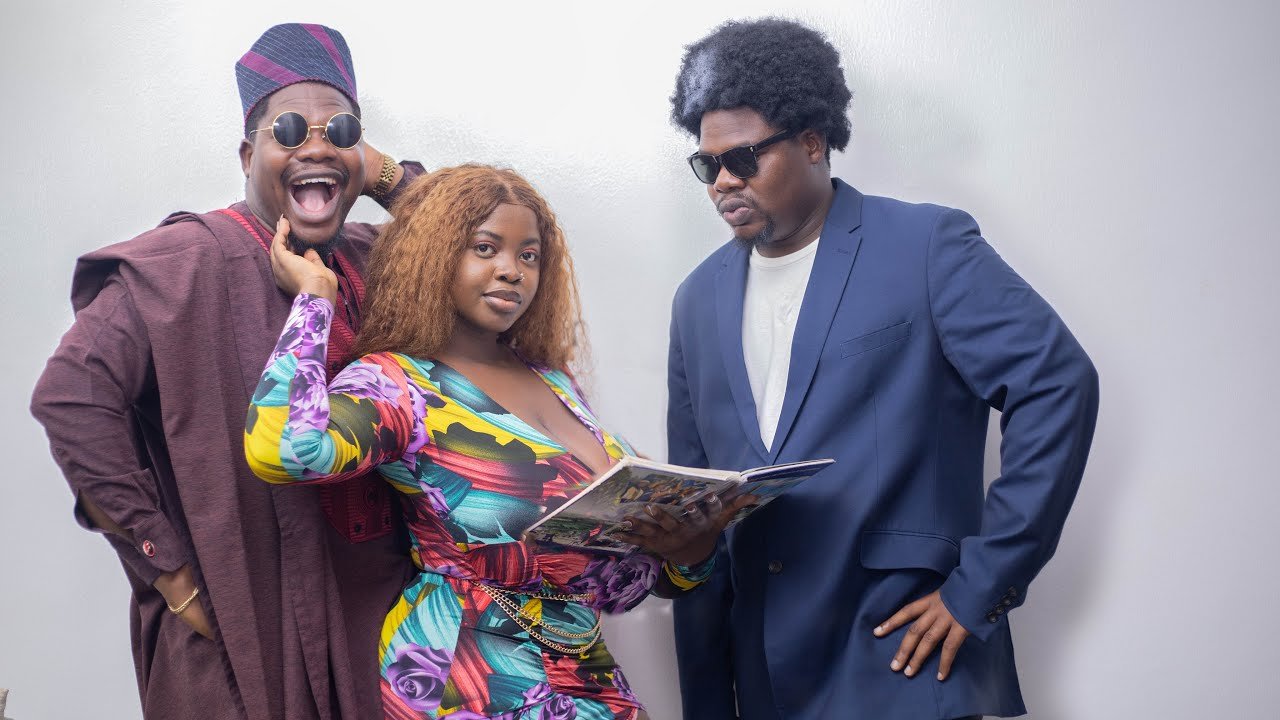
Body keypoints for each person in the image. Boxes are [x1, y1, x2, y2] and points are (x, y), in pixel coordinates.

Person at [665, 18, 1100, 720]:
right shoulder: (695, 300)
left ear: (813, 142)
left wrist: (981, 584)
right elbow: (699, 510)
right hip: (766, 679)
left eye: (743, 158)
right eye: (706, 164)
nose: (723, 182)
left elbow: (1056, 384)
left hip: (902, 661)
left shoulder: (925, 245)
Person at [245, 164, 748, 719]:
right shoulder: (397, 383)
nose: (512, 270)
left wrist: (690, 552)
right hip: (464, 673)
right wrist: (316, 298)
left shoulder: (554, 381)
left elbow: (614, 586)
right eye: (485, 248)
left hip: (581, 664)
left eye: (529, 255)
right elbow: (284, 448)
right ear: (435, 255)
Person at [31, 23, 425, 720]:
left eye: (339, 131)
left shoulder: (371, 257)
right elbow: (71, 395)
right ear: (248, 155)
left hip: (377, 621)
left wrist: (378, 169)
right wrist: (169, 569)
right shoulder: (182, 263)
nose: (315, 147)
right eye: (289, 130)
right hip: (248, 624)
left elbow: (475, 229)